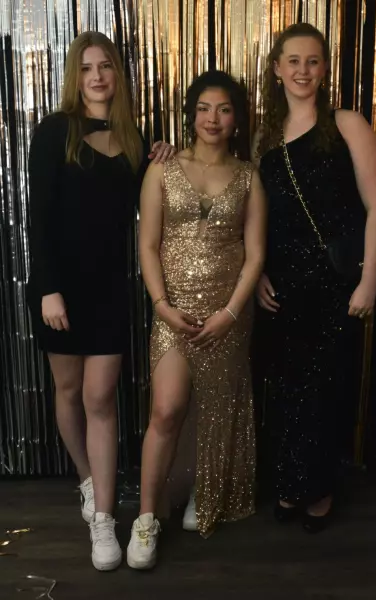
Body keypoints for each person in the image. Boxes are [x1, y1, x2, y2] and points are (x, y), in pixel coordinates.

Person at [27, 31, 175, 571]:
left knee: (100, 398)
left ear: (117, 75)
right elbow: (38, 217)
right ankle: (89, 482)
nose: (96, 76)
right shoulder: (54, 131)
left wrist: (164, 157)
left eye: (106, 66)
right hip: (59, 289)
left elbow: (152, 206)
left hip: (110, 288)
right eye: (87, 67)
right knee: (69, 391)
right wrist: (48, 288)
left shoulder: (135, 140)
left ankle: (105, 519)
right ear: (76, 76)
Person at [253, 23, 376, 533]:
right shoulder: (265, 138)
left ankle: (321, 489)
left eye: (313, 61)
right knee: (288, 388)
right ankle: (291, 483)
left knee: (328, 388)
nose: (303, 70)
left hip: (336, 282)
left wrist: (368, 282)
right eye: (293, 61)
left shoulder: (347, 123)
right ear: (276, 69)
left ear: (325, 68)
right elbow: (258, 218)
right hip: (284, 285)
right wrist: (259, 273)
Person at [127, 70, 266, 569]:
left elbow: (255, 255)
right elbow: (148, 245)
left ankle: (202, 494)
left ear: (236, 119)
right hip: (173, 310)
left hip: (228, 313)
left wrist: (230, 313)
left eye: (224, 109)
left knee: (216, 408)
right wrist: (161, 304)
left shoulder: (249, 176)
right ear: (191, 115)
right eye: (204, 108)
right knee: (166, 410)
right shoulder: (163, 169)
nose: (213, 118)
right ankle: (146, 519)